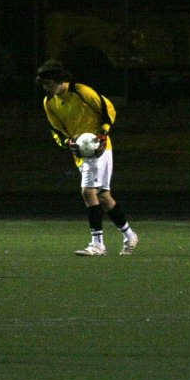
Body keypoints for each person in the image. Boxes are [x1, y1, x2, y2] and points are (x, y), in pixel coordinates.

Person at [36, 59, 138, 256]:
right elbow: (56, 130)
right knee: (103, 197)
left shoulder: (82, 92)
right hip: (82, 153)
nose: (45, 88)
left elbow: (108, 109)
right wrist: (67, 143)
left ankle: (97, 245)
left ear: (58, 79)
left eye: (48, 83)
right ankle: (130, 235)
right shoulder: (49, 102)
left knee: (87, 192)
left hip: (99, 148)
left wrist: (103, 132)